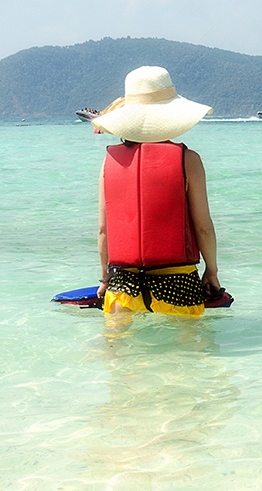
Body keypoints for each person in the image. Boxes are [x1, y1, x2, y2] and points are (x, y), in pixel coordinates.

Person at [91, 65, 223, 317]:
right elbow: (203, 226)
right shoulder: (189, 160)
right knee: (188, 350)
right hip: (177, 281)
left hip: (124, 282)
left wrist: (104, 279)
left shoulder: (110, 163)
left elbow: (103, 230)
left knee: (115, 349)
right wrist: (212, 271)